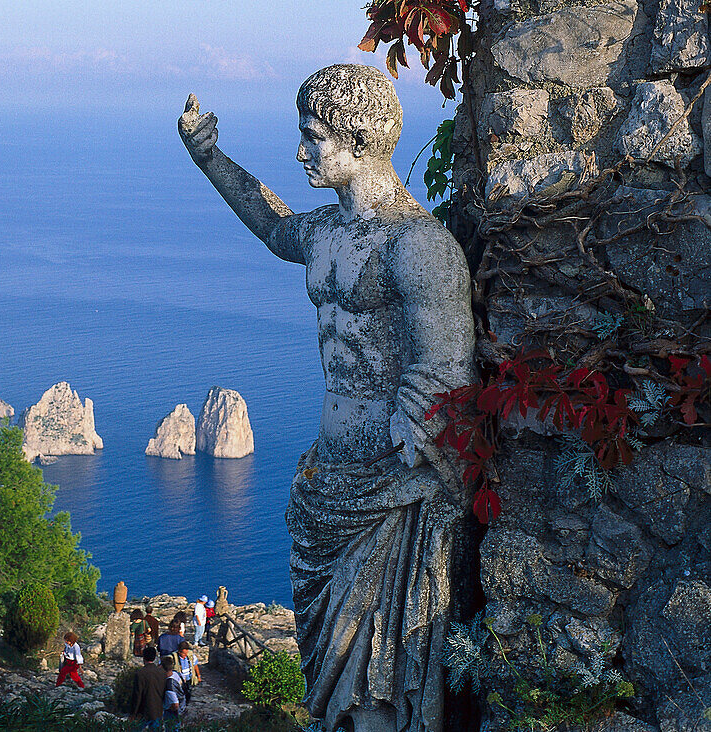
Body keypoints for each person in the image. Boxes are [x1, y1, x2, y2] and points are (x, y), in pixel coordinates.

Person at [179, 65, 475, 732]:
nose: (301, 152)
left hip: (390, 485)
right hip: (328, 477)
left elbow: (447, 376)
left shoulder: (418, 245)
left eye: (313, 137)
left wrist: (415, 434)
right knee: (332, 684)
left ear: (362, 138)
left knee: (376, 674)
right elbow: (271, 223)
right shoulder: (326, 233)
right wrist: (206, 155)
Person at [130, 646, 168, 730]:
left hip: (143, 711)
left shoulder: (140, 673)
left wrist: (133, 713)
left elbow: (137, 695)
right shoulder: (162, 673)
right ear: (154, 658)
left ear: (144, 658)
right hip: (157, 710)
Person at [161, 655, 185, 730]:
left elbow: (175, 705)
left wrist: (167, 707)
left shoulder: (169, 686)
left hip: (172, 713)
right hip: (182, 706)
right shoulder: (177, 674)